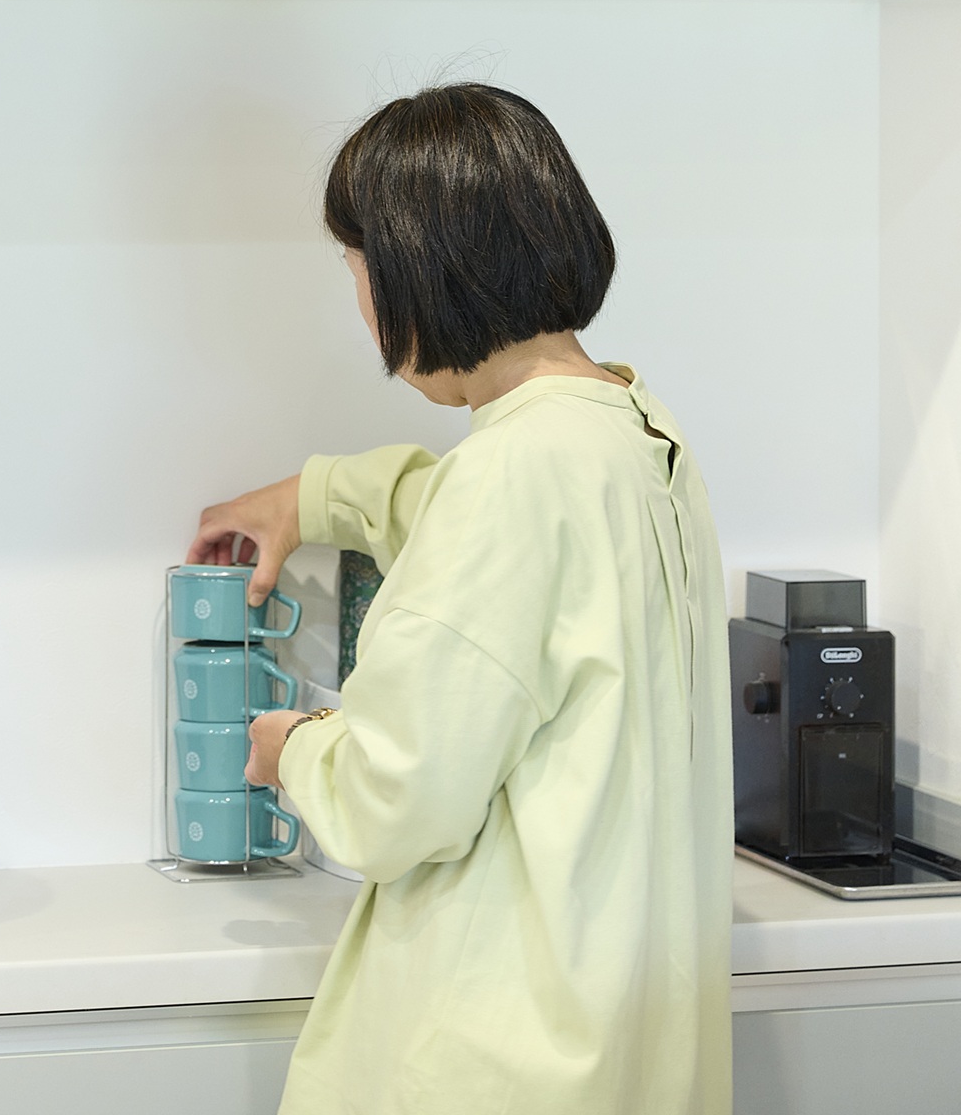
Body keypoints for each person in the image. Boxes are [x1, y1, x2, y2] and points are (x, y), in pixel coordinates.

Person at [188, 83, 732, 1115]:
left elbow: (392, 802)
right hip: (622, 1046)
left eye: (356, 269)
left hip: (495, 1065)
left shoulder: (510, 477)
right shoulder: (638, 434)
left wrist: (292, 748)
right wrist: (317, 496)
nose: (359, 303)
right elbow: (494, 544)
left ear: (414, 269)